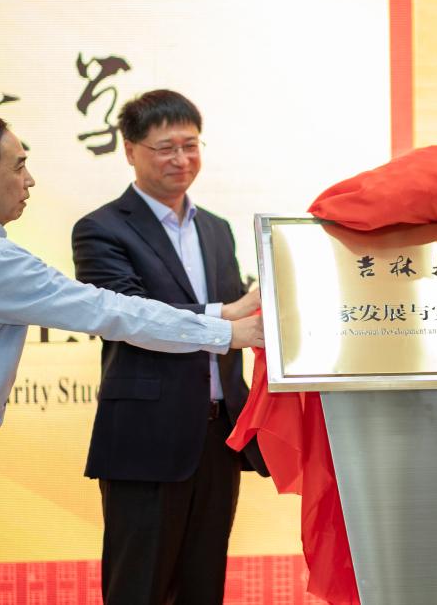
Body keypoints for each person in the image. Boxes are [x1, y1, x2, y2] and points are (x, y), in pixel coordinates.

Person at [0, 114, 264, 605]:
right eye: (19, 166)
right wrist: (226, 332)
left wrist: (221, 313)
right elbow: (110, 310)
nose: (30, 180)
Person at [72, 89, 266, 604]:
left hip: (219, 437)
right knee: (139, 587)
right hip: (146, 437)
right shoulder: (100, 230)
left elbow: (242, 319)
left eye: (190, 145)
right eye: (165, 148)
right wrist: (224, 315)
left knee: (204, 585)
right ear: (130, 150)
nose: (181, 159)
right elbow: (129, 317)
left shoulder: (217, 229)